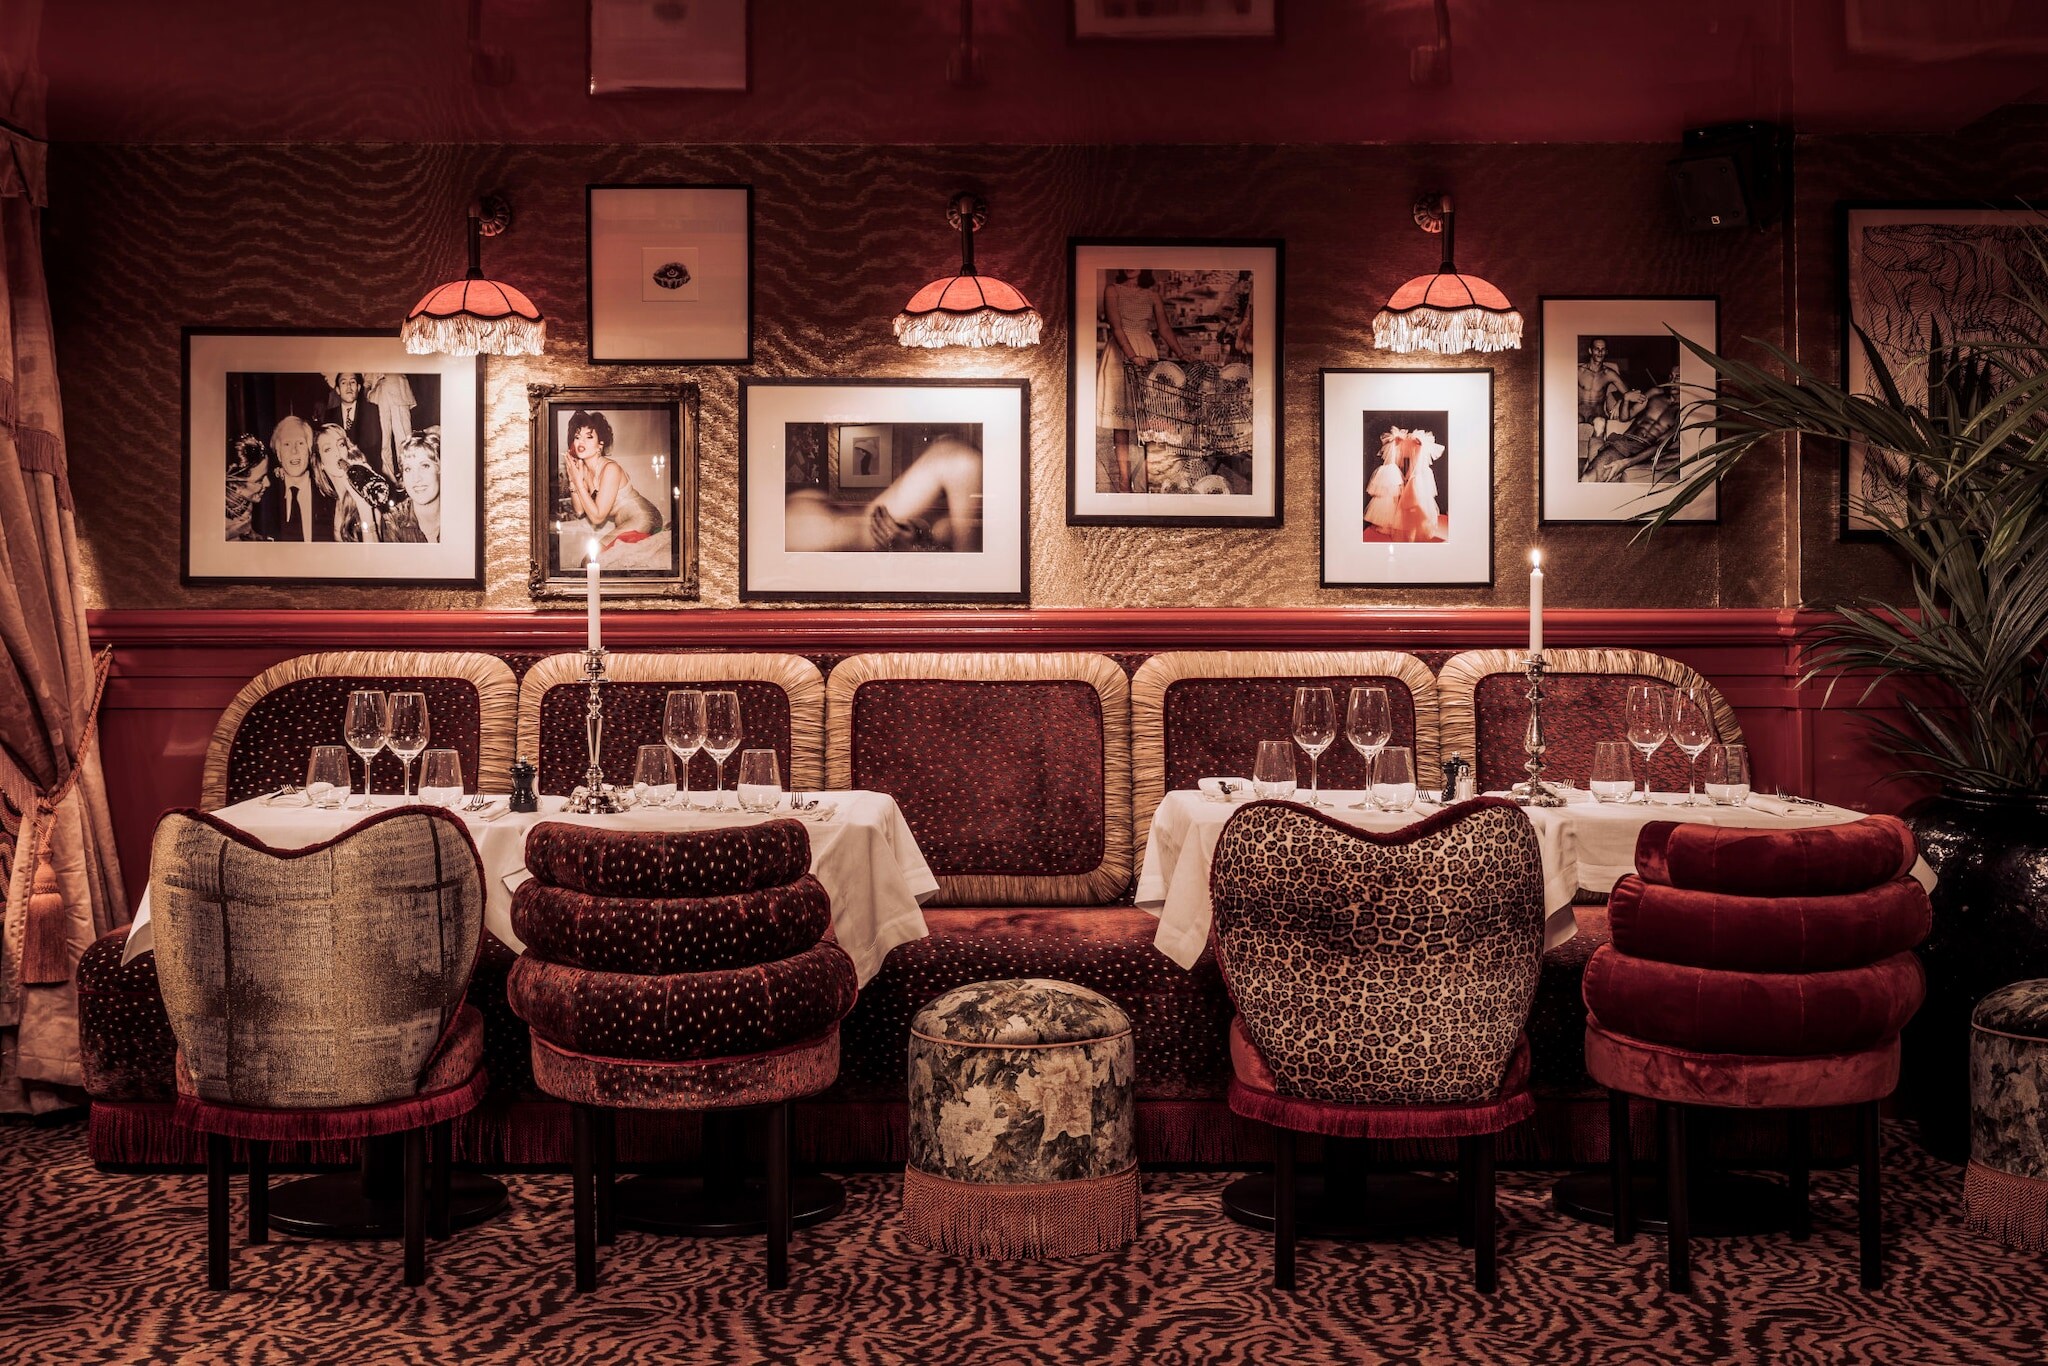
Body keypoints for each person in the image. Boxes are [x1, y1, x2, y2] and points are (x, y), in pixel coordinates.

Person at [784, 433, 983, 553]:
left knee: (957, 461)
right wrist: (914, 550)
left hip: (882, 526)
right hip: (880, 539)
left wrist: (920, 544)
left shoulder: (789, 503)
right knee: (958, 461)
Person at [1096, 268, 1190, 494]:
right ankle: (1123, 478)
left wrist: (1182, 353)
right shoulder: (1112, 290)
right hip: (1120, 353)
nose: (1130, 267)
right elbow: (1116, 327)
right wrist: (1131, 355)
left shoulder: (1152, 295)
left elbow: (1164, 328)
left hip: (1146, 353)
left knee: (1148, 418)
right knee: (1121, 420)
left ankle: (1149, 476)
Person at [564, 409, 664, 551]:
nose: (582, 442)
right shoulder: (584, 471)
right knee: (591, 561)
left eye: (589, 437)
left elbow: (597, 517)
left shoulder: (610, 469)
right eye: (577, 436)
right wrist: (572, 479)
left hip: (644, 517)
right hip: (625, 522)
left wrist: (578, 482)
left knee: (592, 560)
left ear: (600, 444)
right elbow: (579, 511)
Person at [251, 414, 335, 541]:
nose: (294, 451)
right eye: (287, 444)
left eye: (300, 443)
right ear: (278, 454)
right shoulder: (264, 500)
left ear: (309, 450)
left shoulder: (330, 495)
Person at [311, 422, 382, 543]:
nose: (338, 453)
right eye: (328, 449)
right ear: (320, 462)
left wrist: (364, 507)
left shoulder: (366, 495)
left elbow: (375, 557)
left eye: (341, 444)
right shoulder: (325, 505)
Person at [320, 373, 386, 476]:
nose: (348, 386)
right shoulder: (329, 415)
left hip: (366, 470)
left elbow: (374, 447)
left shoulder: (371, 410)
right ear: (337, 390)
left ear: (359, 387)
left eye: (352, 382)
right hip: (339, 473)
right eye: (343, 383)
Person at [389, 430, 443, 543]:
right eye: (408, 469)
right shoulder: (392, 523)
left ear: (440, 470)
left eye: (424, 466)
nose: (416, 478)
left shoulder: (463, 517)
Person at [1395, 428, 1443, 542]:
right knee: (1415, 502)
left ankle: (1420, 529)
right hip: (1416, 475)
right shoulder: (1413, 446)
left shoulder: (1420, 446)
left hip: (1420, 475)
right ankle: (1416, 529)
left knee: (1419, 500)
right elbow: (1403, 448)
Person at [363, 372, 415, 464]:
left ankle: (408, 470)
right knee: (382, 440)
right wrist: (367, 395)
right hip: (377, 395)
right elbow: (367, 381)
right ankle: (387, 474)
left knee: (403, 438)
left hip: (398, 389)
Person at [1364, 427, 1405, 535]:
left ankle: (1388, 521)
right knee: (1387, 496)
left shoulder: (1394, 445)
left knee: (1391, 497)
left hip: (1391, 470)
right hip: (1390, 470)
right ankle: (1385, 522)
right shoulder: (1391, 445)